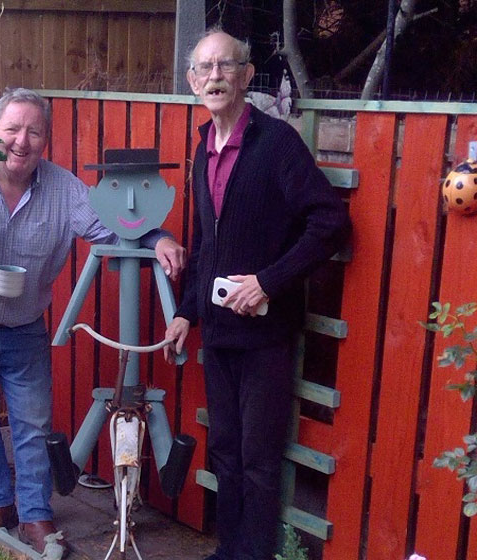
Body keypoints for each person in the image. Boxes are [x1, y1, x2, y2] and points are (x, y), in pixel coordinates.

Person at [0, 88, 185, 557]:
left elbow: (114, 227)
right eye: (13, 129)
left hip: (23, 330)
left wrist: (158, 236)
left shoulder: (65, 191)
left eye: (34, 131)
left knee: (33, 424)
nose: (22, 141)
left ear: (46, 139)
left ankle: (36, 514)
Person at [163, 29, 350, 560]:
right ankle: (231, 551)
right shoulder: (204, 149)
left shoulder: (277, 144)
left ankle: (254, 554)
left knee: (258, 458)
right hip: (220, 332)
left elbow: (330, 222)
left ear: (247, 77)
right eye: (204, 68)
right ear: (192, 80)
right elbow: (204, 244)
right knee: (224, 449)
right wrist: (185, 312)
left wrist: (269, 279)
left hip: (266, 332)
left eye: (227, 66)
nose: (215, 76)